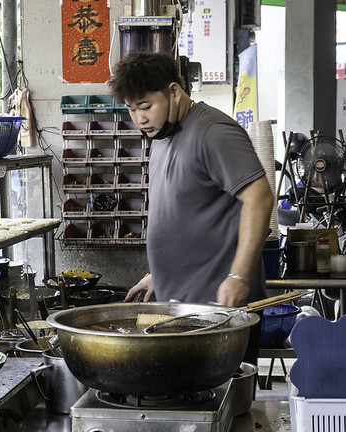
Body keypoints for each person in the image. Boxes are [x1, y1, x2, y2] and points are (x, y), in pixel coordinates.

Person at [110, 52, 274, 362]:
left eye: (146, 107)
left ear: (174, 91)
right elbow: (185, 211)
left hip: (218, 308)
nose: (140, 118)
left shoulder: (214, 132)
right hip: (180, 305)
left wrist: (239, 277)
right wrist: (157, 273)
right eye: (132, 109)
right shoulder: (163, 134)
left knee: (222, 402)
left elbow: (260, 198)